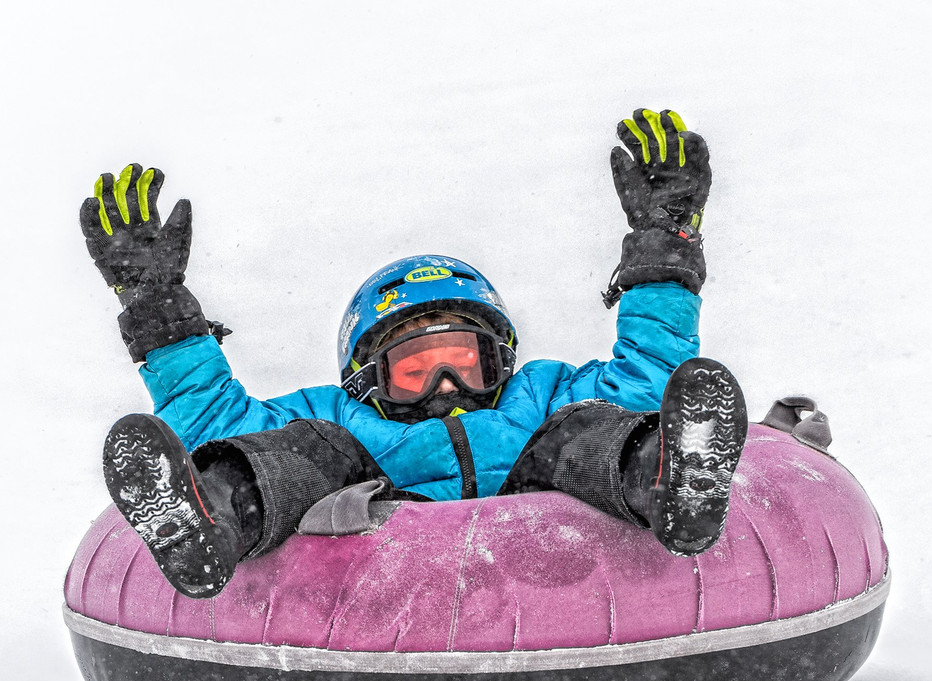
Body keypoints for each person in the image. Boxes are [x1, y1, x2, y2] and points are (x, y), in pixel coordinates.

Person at [81, 109, 748, 599]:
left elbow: (650, 375)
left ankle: (670, 478)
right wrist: (155, 306)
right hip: (381, 532)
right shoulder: (339, 416)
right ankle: (208, 523)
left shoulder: (540, 396)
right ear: (368, 379)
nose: (448, 385)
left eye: (467, 359)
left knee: (584, 426)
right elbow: (213, 420)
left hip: (535, 512)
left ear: (503, 360)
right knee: (308, 449)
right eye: (415, 367)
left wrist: (664, 243)